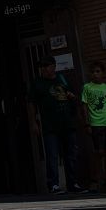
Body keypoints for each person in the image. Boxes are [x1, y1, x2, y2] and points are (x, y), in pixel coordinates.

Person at [29, 56, 86, 194]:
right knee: (52, 155)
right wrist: (33, 122)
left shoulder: (62, 79)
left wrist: (73, 101)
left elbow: (73, 96)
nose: (43, 69)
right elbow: (31, 103)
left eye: (46, 65)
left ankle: (73, 183)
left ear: (54, 66)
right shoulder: (38, 83)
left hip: (67, 122)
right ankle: (53, 184)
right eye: (41, 66)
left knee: (71, 154)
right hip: (50, 125)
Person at [81, 61, 106, 193]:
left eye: (98, 71)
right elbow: (84, 106)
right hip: (96, 124)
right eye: (93, 72)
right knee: (98, 152)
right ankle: (95, 181)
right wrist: (87, 123)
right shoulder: (87, 87)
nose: (95, 74)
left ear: (103, 73)